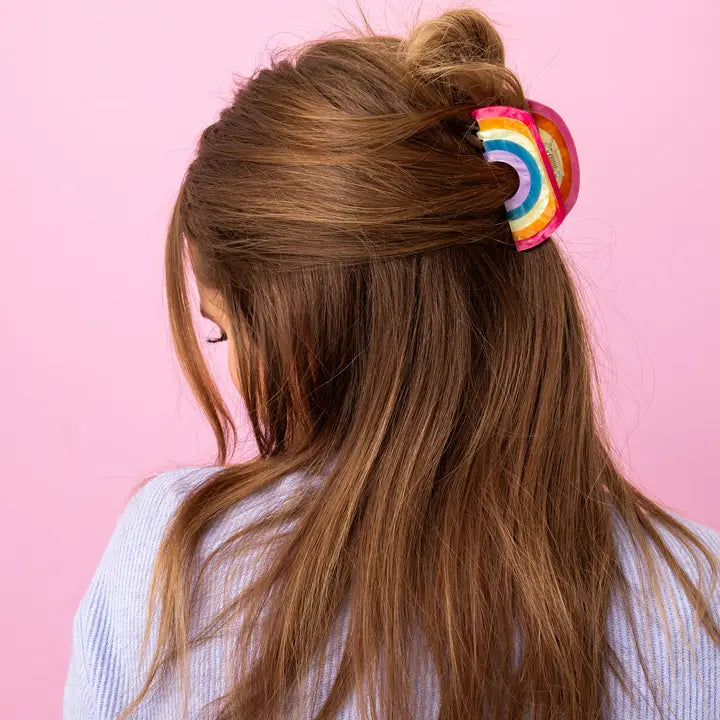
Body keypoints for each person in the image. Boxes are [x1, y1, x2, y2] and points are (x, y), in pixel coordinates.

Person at [63, 7, 720, 719]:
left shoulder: (172, 557)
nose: (231, 364)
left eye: (225, 333)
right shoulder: (697, 596)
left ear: (299, 325)